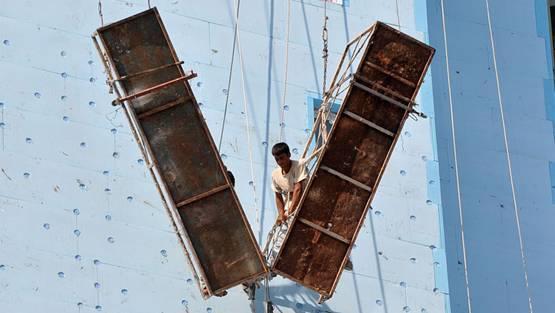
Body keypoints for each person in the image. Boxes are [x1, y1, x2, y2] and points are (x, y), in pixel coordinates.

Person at [270, 142, 308, 224]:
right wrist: (281, 214)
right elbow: (278, 195)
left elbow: (298, 189)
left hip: (305, 199)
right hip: (291, 204)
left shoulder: (298, 165)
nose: (280, 162)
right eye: (277, 159)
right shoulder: (275, 175)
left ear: (289, 155)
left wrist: (290, 212)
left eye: (282, 158)